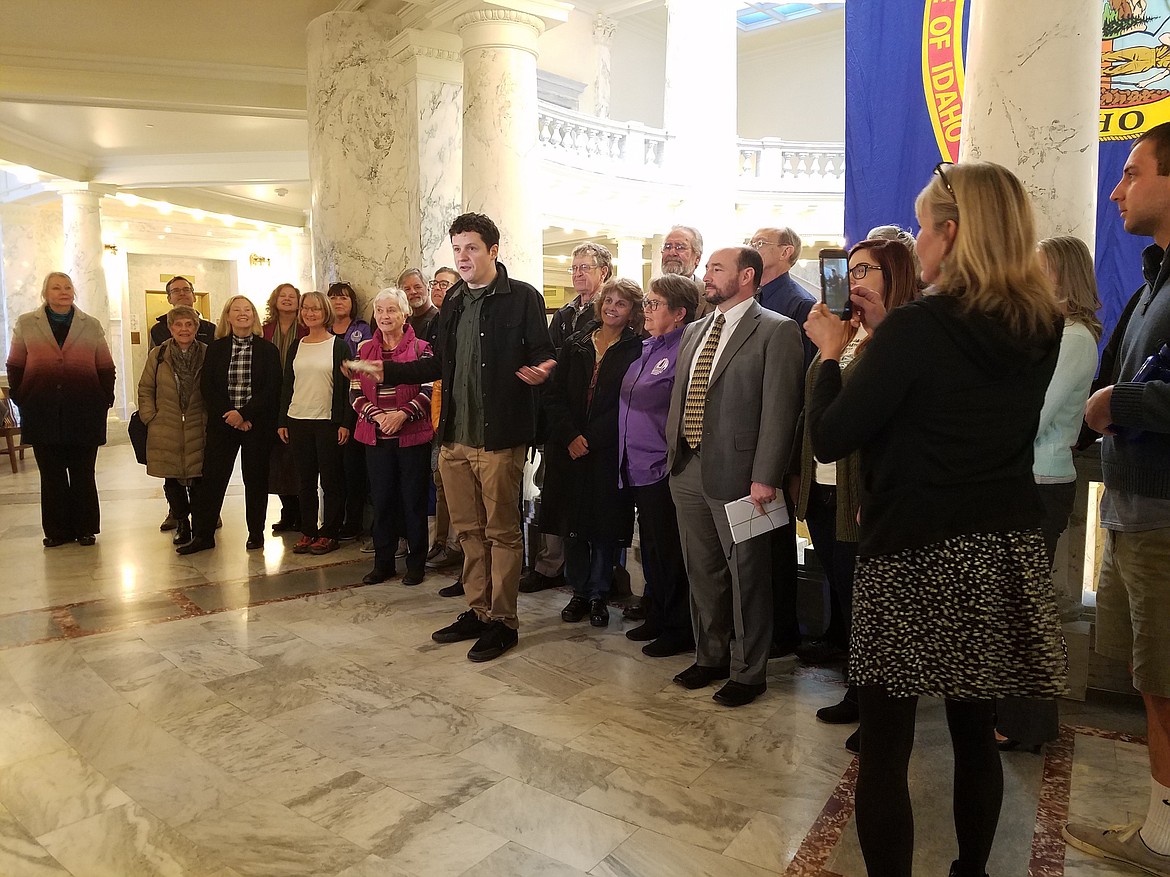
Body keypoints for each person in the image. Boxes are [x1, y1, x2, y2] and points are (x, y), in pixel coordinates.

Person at [805, 161, 1066, 877]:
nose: (917, 241)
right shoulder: (1041, 323)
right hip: (1000, 545)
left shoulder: (917, 328)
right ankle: (971, 871)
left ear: (950, 235)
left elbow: (832, 435)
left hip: (914, 546)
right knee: (974, 732)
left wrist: (830, 356)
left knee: (887, 747)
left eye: (923, 226)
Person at [377, 212, 555, 663]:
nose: (463, 257)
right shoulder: (454, 299)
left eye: (471, 248)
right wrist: (390, 369)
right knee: (470, 533)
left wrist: (542, 373)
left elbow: (544, 355)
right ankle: (477, 611)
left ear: (493, 251)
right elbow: (441, 364)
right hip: (454, 437)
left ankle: (504, 621)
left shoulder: (524, 298)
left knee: (502, 532)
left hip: (499, 438)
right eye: (457, 249)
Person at [1064, 122, 1170, 877]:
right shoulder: (1154, 279)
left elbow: (1138, 392)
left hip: (1165, 512)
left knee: (1165, 677)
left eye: (1131, 171)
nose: (1115, 187)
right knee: (1152, 677)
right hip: (1139, 508)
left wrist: (1114, 401)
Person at [792, 239, 920, 752]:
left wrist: (829, 351)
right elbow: (815, 411)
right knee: (847, 597)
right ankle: (856, 688)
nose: (853, 281)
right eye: (849, 271)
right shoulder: (847, 334)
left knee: (875, 608)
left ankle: (879, 710)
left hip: (864, 494)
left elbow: (866, 418)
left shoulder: (896, 340)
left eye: (865, 270)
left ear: (896, 276)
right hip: (825, 486)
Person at [666, 246, 804, 707]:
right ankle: (710, 656)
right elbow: (683, 396)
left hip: (744, 475)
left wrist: (767, 474)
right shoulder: (694, 330)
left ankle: (749, 671)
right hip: (687, 466)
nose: (707, 274)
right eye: (708, 268)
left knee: (748, 575)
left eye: (716, 268)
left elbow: (781, 409)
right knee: (701, 570)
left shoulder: (777, 330)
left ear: (746, 276)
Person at [996, 236, 1102, 755]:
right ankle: (1017, 717)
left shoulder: (1075, 336)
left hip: (1043, 481)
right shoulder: (1049, 331)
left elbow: (1034, 415)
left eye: (1036, 268)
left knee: (1024, 608)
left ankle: (1027, 723)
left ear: (1060, 275)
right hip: (1027, 478)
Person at [542, 278, 644, 627]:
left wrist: (593, 438)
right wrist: (570, 435)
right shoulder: (575, 343)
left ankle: (600, 593)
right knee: (572, 525)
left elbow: (629, 404)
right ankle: (579, 593)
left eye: (622, 303)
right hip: (568, 448)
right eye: (609, 301)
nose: (612, 307)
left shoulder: (637, 348)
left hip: (608, 451)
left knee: (602, 526)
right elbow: (553, 396)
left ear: (633, 311)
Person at [521, 242, 615, 596]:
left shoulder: (608, 310)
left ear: (603, 272)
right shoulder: (563, 315)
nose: (577, 274)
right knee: (553, 494)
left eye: (585, 268)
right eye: (574, 268)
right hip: (561, 419)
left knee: (594, 503)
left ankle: (598, 579)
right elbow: (552, 358)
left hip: (594, 424)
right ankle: (552, 566)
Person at [619, 273, 701, 656]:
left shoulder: (684, 351)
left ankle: (678, 626)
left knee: (668, 550)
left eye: (654, 304)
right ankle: (656, 613)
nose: (645, 310)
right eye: (646, 303)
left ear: (680, 312)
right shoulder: (647, 347)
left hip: (662, 465)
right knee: (650, 547)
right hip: (633, 462)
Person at [5, 272, 115, 547]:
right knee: (51, 474)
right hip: (41, 410)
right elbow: (15, 366)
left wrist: (105, 399)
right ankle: (56, 531)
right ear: (46, 293)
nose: (63, 292)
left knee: (82, 472)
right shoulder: (27, 323)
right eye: (56, 287)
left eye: (67, 287)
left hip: (85, 411)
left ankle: (85, 528)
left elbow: (105, 367)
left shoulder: (90, 325)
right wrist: (22, 397)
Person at [751, 225, 818, 661]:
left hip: (777, 442)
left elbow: (802, 389)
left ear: (787, 252)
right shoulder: (749, 301)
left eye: (760, 244)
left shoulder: (798, 305)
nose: (752, 248)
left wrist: (789, 459)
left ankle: (782, 630)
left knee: (775, 542)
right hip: (744, 439)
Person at [179, 296, 282, 555]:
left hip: (256, 425)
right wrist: (230, 413)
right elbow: (208, 387)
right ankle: (203, 534)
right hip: (223, 423)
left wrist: (245, 414)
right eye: (236, 310)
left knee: (255, 479)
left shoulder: (268, 350)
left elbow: (272, 389)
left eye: (247, 309)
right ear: (228, 316)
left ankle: (256, 534)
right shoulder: (216, 348)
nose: (242, 314)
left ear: (254, 316)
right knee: (212, 479)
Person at [350, 288, 433, 586]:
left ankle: (415, 564)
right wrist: (379, 417)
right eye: (380, 311)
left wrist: (402, 415)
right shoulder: (364, 351)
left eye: (391, 310)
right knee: (382, 500)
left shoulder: (422, 348)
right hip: (376, 435)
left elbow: (430, 389)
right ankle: (383, 562)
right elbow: (355, 393)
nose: (385, 316)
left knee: (413, 501)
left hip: (412, 435)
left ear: (404, 314)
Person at [277, 291, 354, 556]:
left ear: (326, 313)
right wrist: (282, 420)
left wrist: (344, 422)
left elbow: (346, 388)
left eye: (316, 309)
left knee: (331, 480)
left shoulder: (339, 346)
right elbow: (288, 383)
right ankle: (308, 531)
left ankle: (329, 533)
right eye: (306, 309)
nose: (310, 313)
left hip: (327, 421)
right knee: (305, 481)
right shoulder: (297, 345)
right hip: (298, 419)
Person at [138, 306, 208, 547]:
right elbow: (146, 388)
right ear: (170, 328)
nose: (184, 329)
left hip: (198, 425)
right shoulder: (158, 355)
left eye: (189, 324)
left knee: (199, 480)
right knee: (172, 480)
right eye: (178, 325)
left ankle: (200, 524)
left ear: (196, 328)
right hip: (165, 426)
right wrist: (150, 417)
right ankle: (182, 523)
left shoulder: (208, 353)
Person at [327, 281, 372, 541]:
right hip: (327, 404)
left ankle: (353, 521)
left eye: (343, 298)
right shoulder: (323, 330)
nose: (338, 302)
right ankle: (334, 518)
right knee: (333, 469)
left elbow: (365, 362)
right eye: (333, 298)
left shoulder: (361, 329)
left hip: (356, 404)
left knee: (353, 466)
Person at [263, 282, 307, 534]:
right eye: (283, 296)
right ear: (275, 300)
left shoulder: (305, 329)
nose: (288, 300)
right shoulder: (264, 329)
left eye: (293, 296)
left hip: (297, 396)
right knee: (276, 460)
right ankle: (286, 510)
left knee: (296, 458)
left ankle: (301, 510)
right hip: (269, 399)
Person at [148, 276, 215, 348]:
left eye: (186, 290)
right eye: (176, 291)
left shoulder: (210, 329)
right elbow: (153, 357)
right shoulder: (158, 330)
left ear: (194, 297)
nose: (182, 293)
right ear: (169, 299)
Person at [661, 224, 710, 319]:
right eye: (667, 247)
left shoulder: (711, 298)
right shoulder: (648, 299)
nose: (672, 253)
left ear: (697, 258)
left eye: (680, 247)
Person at [400, 268, 439, 343]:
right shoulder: (404, 321)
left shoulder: (437, 319)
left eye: (417, 287)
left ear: (428, 289)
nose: (413, 292)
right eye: (407, 289)